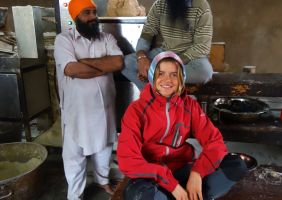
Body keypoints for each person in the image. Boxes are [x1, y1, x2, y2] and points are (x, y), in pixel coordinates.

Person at [117, 51, 247, 200]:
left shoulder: (190, 106)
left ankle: (189, 195)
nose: (167, 80)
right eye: (161, 74)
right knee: (139, 195)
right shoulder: (136, 110)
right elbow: (128, 160)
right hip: (152, 178)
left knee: (236, 165)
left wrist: (197, 173)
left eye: (174, 74)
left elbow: (215, 142)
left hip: (182, 170)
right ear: (152, 76)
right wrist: (170, 183)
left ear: (181, 79)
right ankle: (186, 196)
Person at [54, 0, 123, 199]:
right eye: (87, 13)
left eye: (94, 12)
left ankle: (102, 182)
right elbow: (71, 69)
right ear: (76, 17)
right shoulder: (64, 40)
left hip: (105, 108)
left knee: (104, 148)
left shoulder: (106, 38)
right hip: (77, 110)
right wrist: (103, 65)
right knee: (74, 155)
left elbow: (117, 62)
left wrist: (83, 64)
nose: (93, 17)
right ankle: (75, 194)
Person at [122, 0, 214, 90]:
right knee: (126, 63)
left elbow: (201, 47)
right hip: (165, 53)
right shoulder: (159, 4)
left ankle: (160, 84)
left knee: (205, 72)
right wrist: (141, 57)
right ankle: (153, 96)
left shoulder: (201, 6)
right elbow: (147, 33)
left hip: (191, 58)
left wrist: (168, 65)